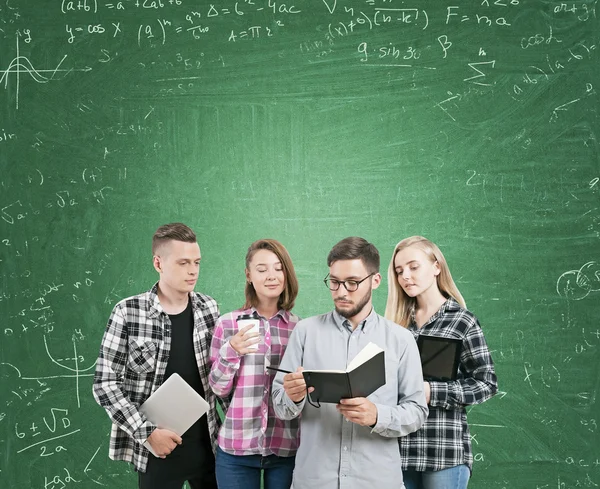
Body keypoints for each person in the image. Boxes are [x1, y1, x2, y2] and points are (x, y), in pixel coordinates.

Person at [272, 237, 428, 489]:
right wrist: (292, 396)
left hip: (377, 481)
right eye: (334, 282)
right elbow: (280, 407)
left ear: (375, 281)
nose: (341, 292)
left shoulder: (401, 339)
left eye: (352, 283)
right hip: (314, 481)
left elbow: (417, 412)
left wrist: (377, 415)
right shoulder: (305, 332)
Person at [93, 223, 223, 489]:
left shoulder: (208, 308)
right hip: (155, 450)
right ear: (158, 263)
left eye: (197, 262)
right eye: (183, 262)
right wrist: (147, 434)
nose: (192, 270)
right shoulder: (128, 312)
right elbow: (104, 384)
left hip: (209, 446)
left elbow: (220, 373)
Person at [385, 236, 498, 489]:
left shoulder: (462, 321)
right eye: (399, 271)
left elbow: (486, 383)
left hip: (444, 451)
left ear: (436, 267)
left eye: (414, 267)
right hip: (398, 453)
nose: (405, 276)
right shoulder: (395, 326)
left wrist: (430, 391)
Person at [209, 239, 300, 489]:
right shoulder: (228, 324)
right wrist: (232, 350)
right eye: (262, 269)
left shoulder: (299, 328)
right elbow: (218, 388)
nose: (271, 276)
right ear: (249, 275)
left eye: (278, 268)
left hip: (285, 449)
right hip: (236, 450)